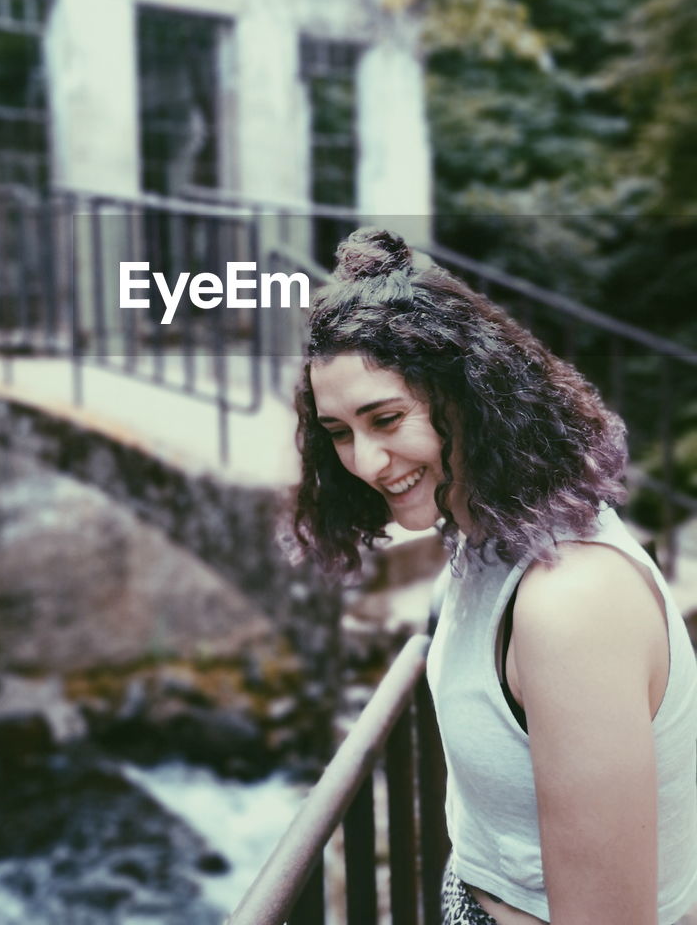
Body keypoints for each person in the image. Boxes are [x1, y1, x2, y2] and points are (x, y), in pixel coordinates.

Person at [292, 227, 697, 925]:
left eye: (386, 418)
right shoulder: (487, 529)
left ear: (471, 395)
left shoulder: (570, 601)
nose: (364, 461)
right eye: (338, 432)